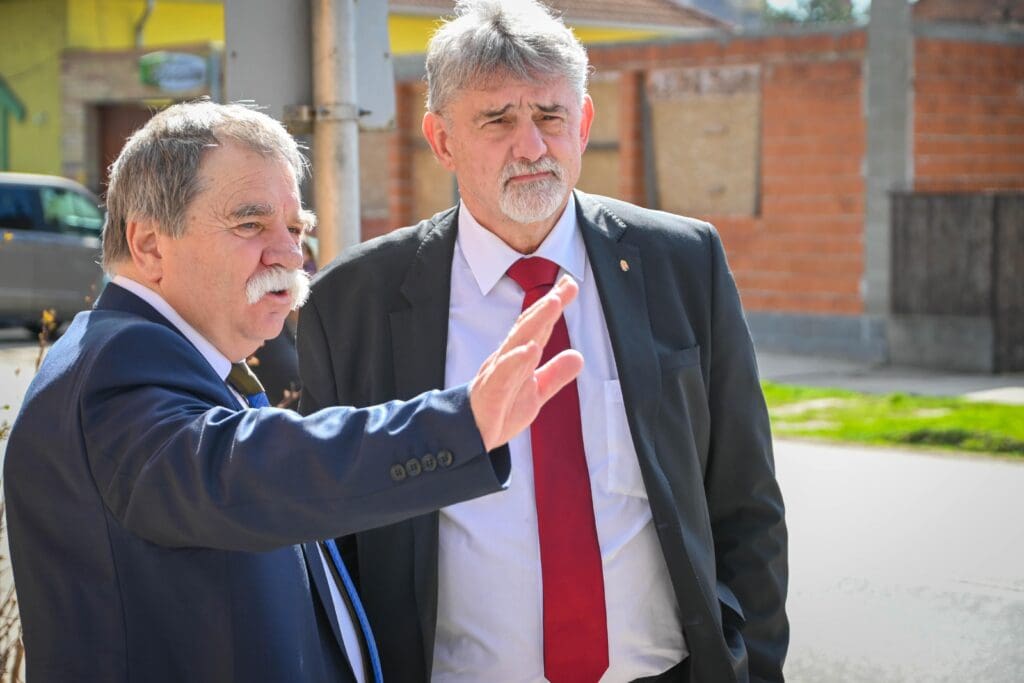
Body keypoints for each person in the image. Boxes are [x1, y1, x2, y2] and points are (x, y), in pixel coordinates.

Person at [3, 100, 583, 683]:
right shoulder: (118, 363)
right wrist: (459, 424)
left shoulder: (175, 359)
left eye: (296, 228)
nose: (289, 254)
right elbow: (243, 471)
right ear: (151, 245)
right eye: (250, 225)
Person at [297, 1, 789, 681]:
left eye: (550, 116)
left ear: (582, 124)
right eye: (497, 120)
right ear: (441, 140)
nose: (530, 146)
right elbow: (330, 540)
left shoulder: (682, 263)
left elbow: (745, 499)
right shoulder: (353, 304)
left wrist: (753, 667)